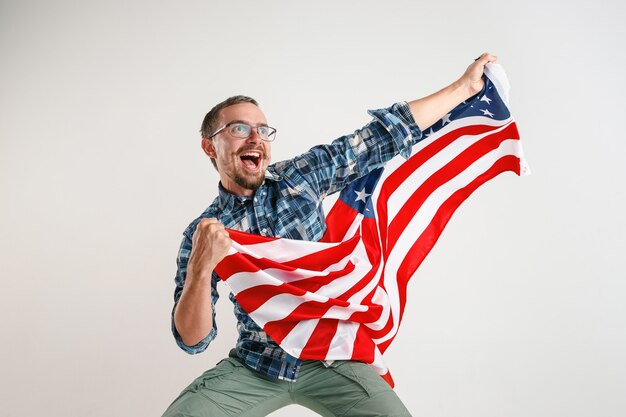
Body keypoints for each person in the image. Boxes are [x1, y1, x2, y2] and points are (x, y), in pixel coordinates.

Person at [162, 53, 498, 417]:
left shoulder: (299, 179)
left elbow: (377, 138)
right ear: (210, 146)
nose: (255, 138)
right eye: (240, 129)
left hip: (332, 357)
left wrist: (464, 86)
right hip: (257, 365)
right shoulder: (204, 232)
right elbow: (193, 341)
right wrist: (200, 267)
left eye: (263, 129)